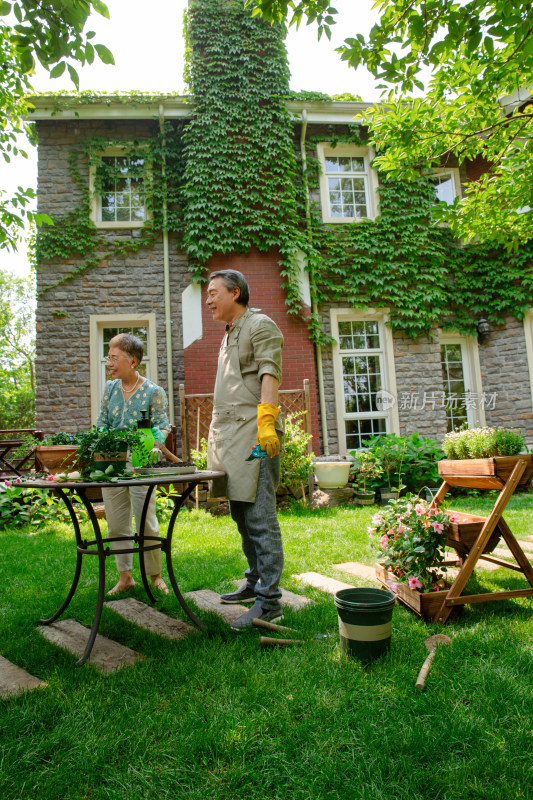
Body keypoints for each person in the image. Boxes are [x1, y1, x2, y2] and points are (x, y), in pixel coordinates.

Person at [206, 269, 285, 630]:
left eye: (213, 293)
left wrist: (266, 421)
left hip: (255, 437)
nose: (208, 300)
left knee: (259, 514)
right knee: (239, 512)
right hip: (229, 436)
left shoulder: (260, 325)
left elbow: (270, 372)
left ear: (235, 293)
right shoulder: (227, 333)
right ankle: (254, 582)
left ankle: (270, 602)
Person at [97, 332, 170, 596]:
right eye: (109, 357)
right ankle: (125, 576)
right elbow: (102, 424)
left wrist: (153, 441)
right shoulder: (109, 389)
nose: (109, 363)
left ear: (133, 361)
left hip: (142, 459)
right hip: (112, 460)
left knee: (145, 521)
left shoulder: (154, 392)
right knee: (116, 522)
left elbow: (163, 426)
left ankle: (155, 576)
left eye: (114, 358)